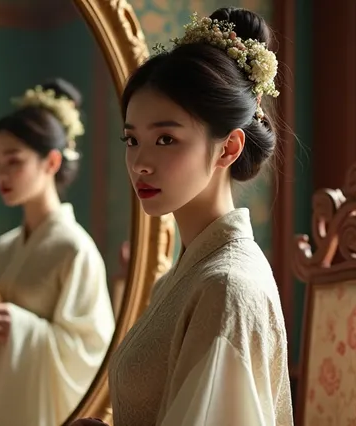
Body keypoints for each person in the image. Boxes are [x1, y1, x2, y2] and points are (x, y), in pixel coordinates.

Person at [72, 7, 293, 426]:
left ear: (228, 148)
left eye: (166, 138)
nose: (139, 163)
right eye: (131, 139)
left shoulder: (227, 287)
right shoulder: (188, 274)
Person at [0, 79, 116, 426]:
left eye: (13, 161)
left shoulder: (75, 249)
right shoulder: (4, 247)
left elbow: (90, 352)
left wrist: (19, 325)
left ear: (51, 162)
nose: (1, 174)